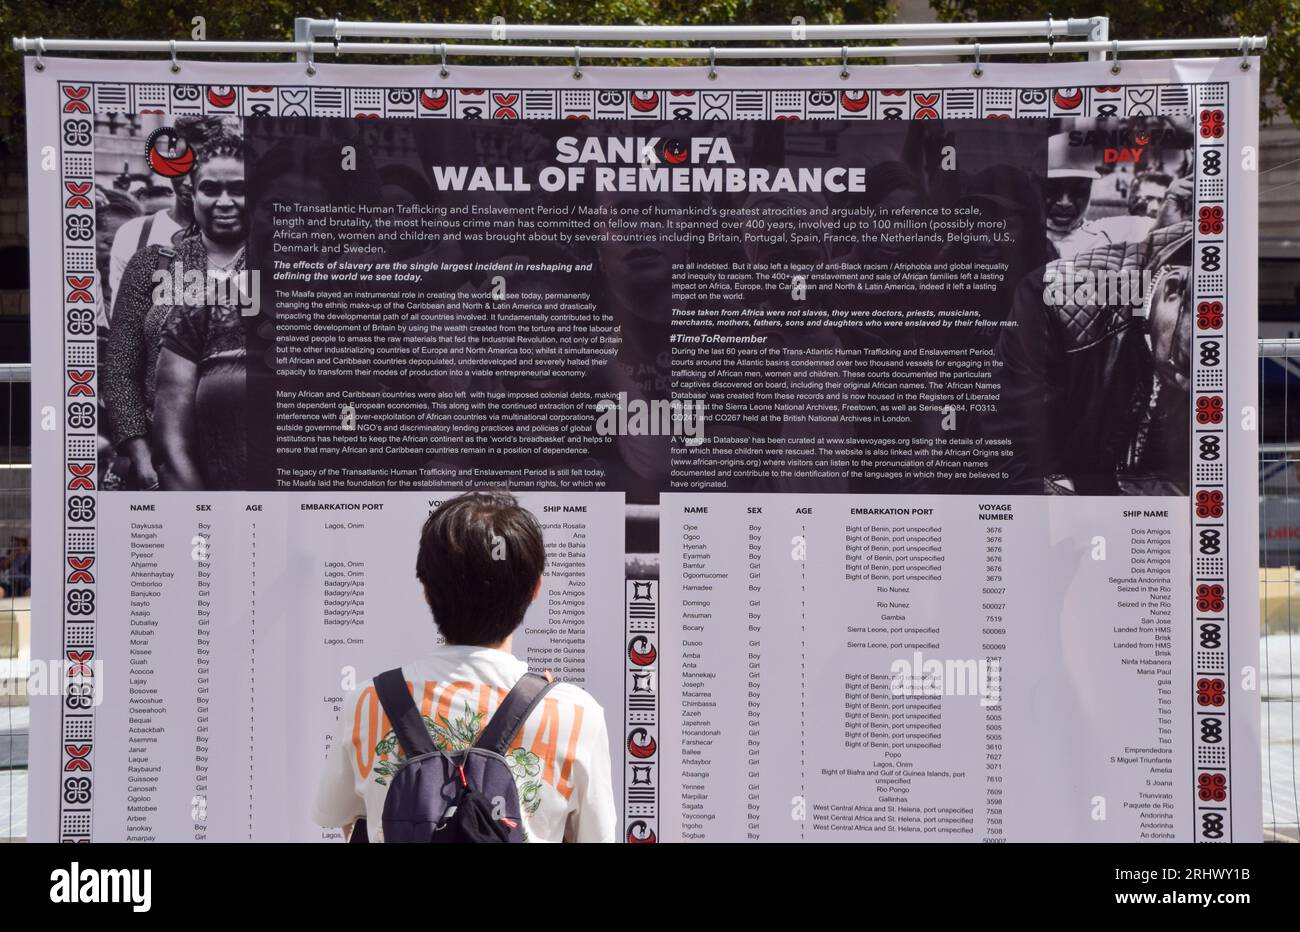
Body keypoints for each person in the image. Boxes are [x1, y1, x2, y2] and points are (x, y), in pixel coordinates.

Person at [313, 491, 617, 842]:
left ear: (427, 591)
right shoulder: (576, 714)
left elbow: (339, 816)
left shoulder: (369, 701)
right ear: (535, 588)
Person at [151, 131, 249, 490]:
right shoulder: (154, 263)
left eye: (238, 189)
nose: (225, 201)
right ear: (192, 193)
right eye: (211, 189)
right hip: (177, 456)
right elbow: (121, 365)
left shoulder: (306, 287)